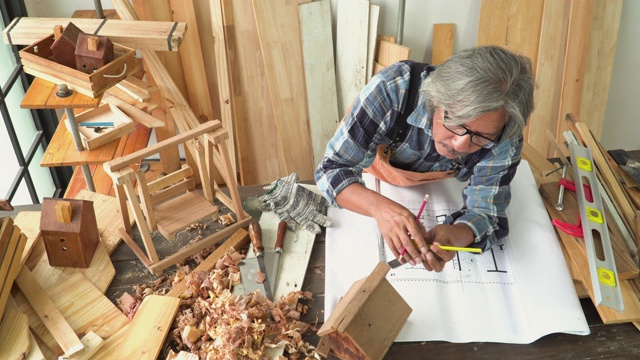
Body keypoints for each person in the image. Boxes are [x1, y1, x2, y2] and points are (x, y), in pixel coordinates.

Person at [314, 45, 534, 272]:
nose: (460, 145)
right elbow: (332, 169)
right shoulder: (393, 90)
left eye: (481, 137)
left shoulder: (503, 134)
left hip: (434, 191)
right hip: (370, 177)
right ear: (436, 99)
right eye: (457, 124)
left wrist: (456, 236)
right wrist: (380, 209)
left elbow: (488, 214)